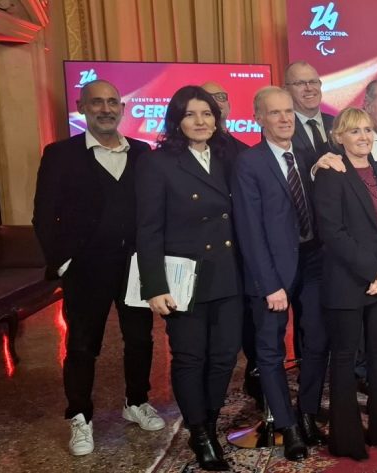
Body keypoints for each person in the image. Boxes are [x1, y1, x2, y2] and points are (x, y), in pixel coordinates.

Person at [32, 79, 164, 456]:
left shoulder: (143, 153)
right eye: (96, 103)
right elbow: (43, 215)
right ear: (82, 107)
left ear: (122, 108)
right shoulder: (60, 154)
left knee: (140, 338)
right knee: (82, 344)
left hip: (135, 266)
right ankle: (79, 416)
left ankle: (136, 401)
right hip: (86, 268)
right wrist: (63, 262)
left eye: (112, 102)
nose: (105, 109)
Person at [136, 86, 243, 471]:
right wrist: (155, 286)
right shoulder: (157, 163)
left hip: (228, 274)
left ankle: (209, 424)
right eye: (191, 114)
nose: (201, 121)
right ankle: (199, 433)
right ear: (176, 121)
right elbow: (148, 228)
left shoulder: (229, 155)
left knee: (225, 356)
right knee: (190, 357)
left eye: (207, 113)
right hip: (184, 279)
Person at [231, 86, 332, 460]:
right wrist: (270, 283)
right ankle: (286, 426)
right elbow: (249, 229)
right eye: (275, 112)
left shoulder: (306, 155)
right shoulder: (249, 163)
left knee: (317, 340)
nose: (285, 118)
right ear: (259, 118)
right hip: (272, 270)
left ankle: (306, 414)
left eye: (288, 111)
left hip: (313, 262)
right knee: (270, 350)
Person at [316, 108, 377, 459]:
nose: (363, 137)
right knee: (344, 358)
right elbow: (333, 233)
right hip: (347, 280)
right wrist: (373, 270)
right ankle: (347, 441)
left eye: (367, 130)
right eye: (354, 131)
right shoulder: (331, 174)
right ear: (339, 137)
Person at [202, 80, 261, 408]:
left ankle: (256, 383)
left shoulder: (244, 152)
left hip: (242, 254)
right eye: (208, 98)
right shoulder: (175, 156)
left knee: (249, 327)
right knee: (208, 340)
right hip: (201, 261)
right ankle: (206, 404)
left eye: (221, 97)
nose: (216, 103)